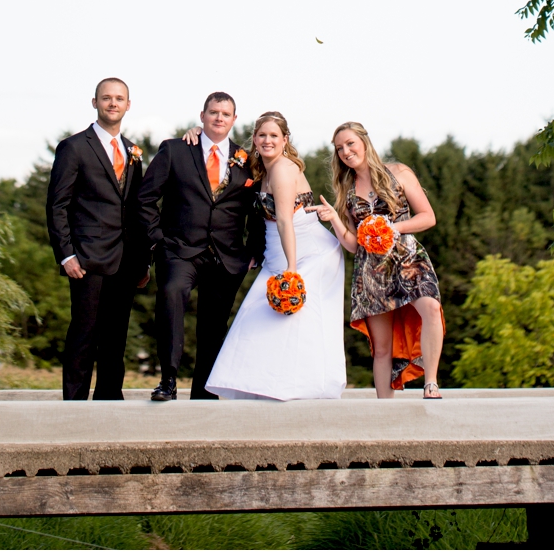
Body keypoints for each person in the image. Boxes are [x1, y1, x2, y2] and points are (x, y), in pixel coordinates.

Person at [203, 112, 346, 401]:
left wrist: (292, 269)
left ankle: (301, 390)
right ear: (254, 139)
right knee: (256, 316)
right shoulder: (261, 168)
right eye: (262, 135)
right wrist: (198, 131)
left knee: (294, 321)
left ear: (285, 140)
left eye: (274, 136)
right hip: (277, 253)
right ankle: (265, 389)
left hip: (308, 254)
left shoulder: (282, 168)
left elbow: (284, 221)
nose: (267, 140)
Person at [136, 90, 262, 401]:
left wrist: (253, 251)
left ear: (234, 120)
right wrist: (158, 241)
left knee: (214, 325)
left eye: (225, 114)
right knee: (171, 296)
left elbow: (258, 209)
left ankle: (204, 393)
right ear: (203, 116)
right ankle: (168, 380)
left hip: (227, 256)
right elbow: (145, 199)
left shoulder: (249, 162)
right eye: (214, 112)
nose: (219, 118)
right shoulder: (175, 150)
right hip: (179, 250)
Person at [311, 120, 444, 399]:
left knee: (431, 308)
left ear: (364, 142)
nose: (345, 152)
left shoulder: (398, 173)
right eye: (339, 149)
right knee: (381, 347)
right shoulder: (346, 191)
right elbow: (352, 244)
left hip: (407, 259)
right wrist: (335, 219)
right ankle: (384, 410)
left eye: (350, 144)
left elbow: (427, 217)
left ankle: (430, 383)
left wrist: (392, 228)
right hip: (372, 271)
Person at [45, 77, 150, 401]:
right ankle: (74, 405)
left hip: (125, 260)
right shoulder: (74, 147)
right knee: (84, 333)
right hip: (87, 258)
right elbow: (57, 205)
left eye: (119, 98)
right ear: (95, 102)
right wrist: (66, 255)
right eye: (107, 98)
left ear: (128, 105)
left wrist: (142, 261)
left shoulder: (133, 151)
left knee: (116, 336)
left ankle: (109, 400)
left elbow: (137, 209)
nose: (113, 103)